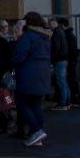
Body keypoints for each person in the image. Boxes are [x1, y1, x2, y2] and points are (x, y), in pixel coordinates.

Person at [12, 11, 52, 147]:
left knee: (21, 103)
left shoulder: (28, 36)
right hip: (43, 75)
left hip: (28, 75)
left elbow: (19, 56)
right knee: (35, 105)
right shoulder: (45, 37)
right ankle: (37, 136)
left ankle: (36, 131)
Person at [48, 15, 70, 111]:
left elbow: (56, 47)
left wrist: (51, 58)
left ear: (54, 23)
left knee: (61, 82)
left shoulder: (56, 32)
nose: (49, 26)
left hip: (59, 60)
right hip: (63, 60)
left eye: (50, 24)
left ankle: (63, 104)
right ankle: (67, 102)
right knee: (64, 82)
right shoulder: (61, 32)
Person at [61, 18, 80, 102]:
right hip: (71, 60)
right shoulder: (70, 34)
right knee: (71, 79)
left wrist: (68, 59)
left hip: (69, 60)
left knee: (70, 79)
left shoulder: (67, 35)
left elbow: (71, 50)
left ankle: (73, 97)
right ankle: (73, 97)